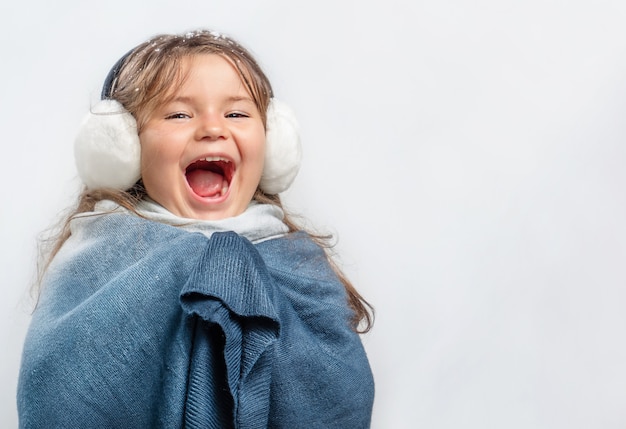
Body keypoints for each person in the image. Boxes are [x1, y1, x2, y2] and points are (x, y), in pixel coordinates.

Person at [17, 30, 374, 428]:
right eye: (178, 114)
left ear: (273, 142)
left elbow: (343, 399)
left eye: (236, 113)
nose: (212, 129)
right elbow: (59, 398)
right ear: (123, 148)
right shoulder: (94, 267)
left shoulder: (300, 266)